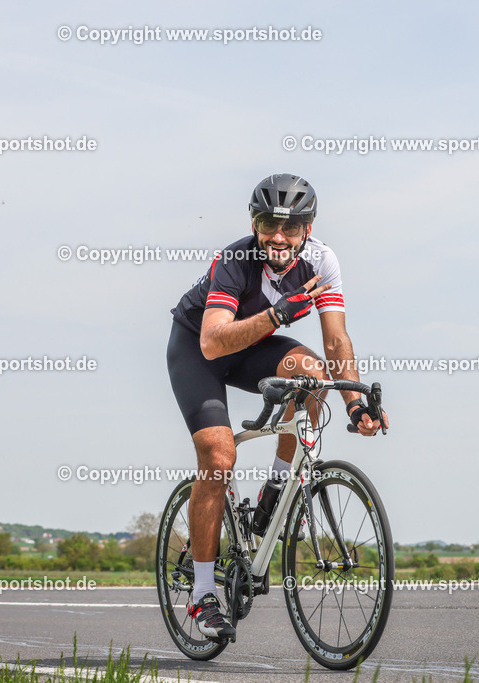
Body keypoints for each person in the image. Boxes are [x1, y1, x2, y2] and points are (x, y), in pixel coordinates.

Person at [167, 173, 388, 640]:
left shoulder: (322, 262)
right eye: (269, 224)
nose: (279, 237)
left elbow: (335, 339)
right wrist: (278, 314)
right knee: (219, 457)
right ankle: (204, 594)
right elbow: (211, 343)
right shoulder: (236, 259)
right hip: (199, 349)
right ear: (255, 222)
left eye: (292, 226)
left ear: (309, 227)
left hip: (255, 346)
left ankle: (276, 490)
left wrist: (353, 402)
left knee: (312, 376)